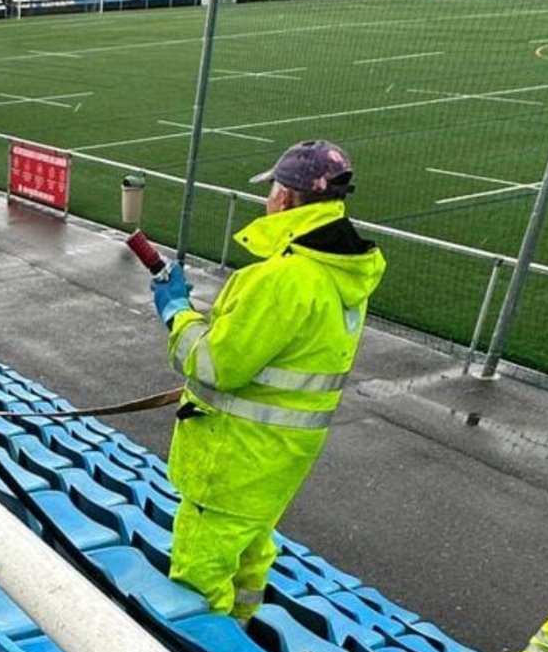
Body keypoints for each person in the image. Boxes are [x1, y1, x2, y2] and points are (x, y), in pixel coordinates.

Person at [150, 140, 385, 624]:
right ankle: (240, 635)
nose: (268, 199)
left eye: (273, 189)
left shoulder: (283, 278)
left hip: (231, 461)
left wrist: (177, 313)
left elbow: (215, 365)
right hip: (278, 460)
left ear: (288, 198)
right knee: (252, 555)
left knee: (197, 581)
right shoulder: (342, 271)